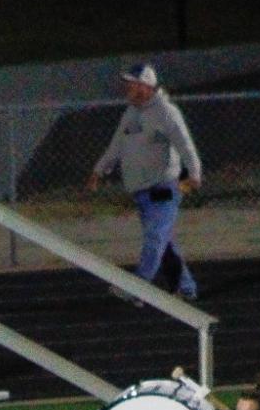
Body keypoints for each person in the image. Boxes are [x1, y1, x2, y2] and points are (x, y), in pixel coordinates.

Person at [86, 62, 203, 301]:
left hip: (164, 187)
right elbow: (116, 145)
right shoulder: (130, 113)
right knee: (165, 241)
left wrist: (194, 174)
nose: (126, 88)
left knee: (155, 238)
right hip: (141, 191)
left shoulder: (167, 112)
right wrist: (99, 170)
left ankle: (138, 288)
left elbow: (185, 144)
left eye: (131, 83)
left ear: (145, 86)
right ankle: (187, 288)